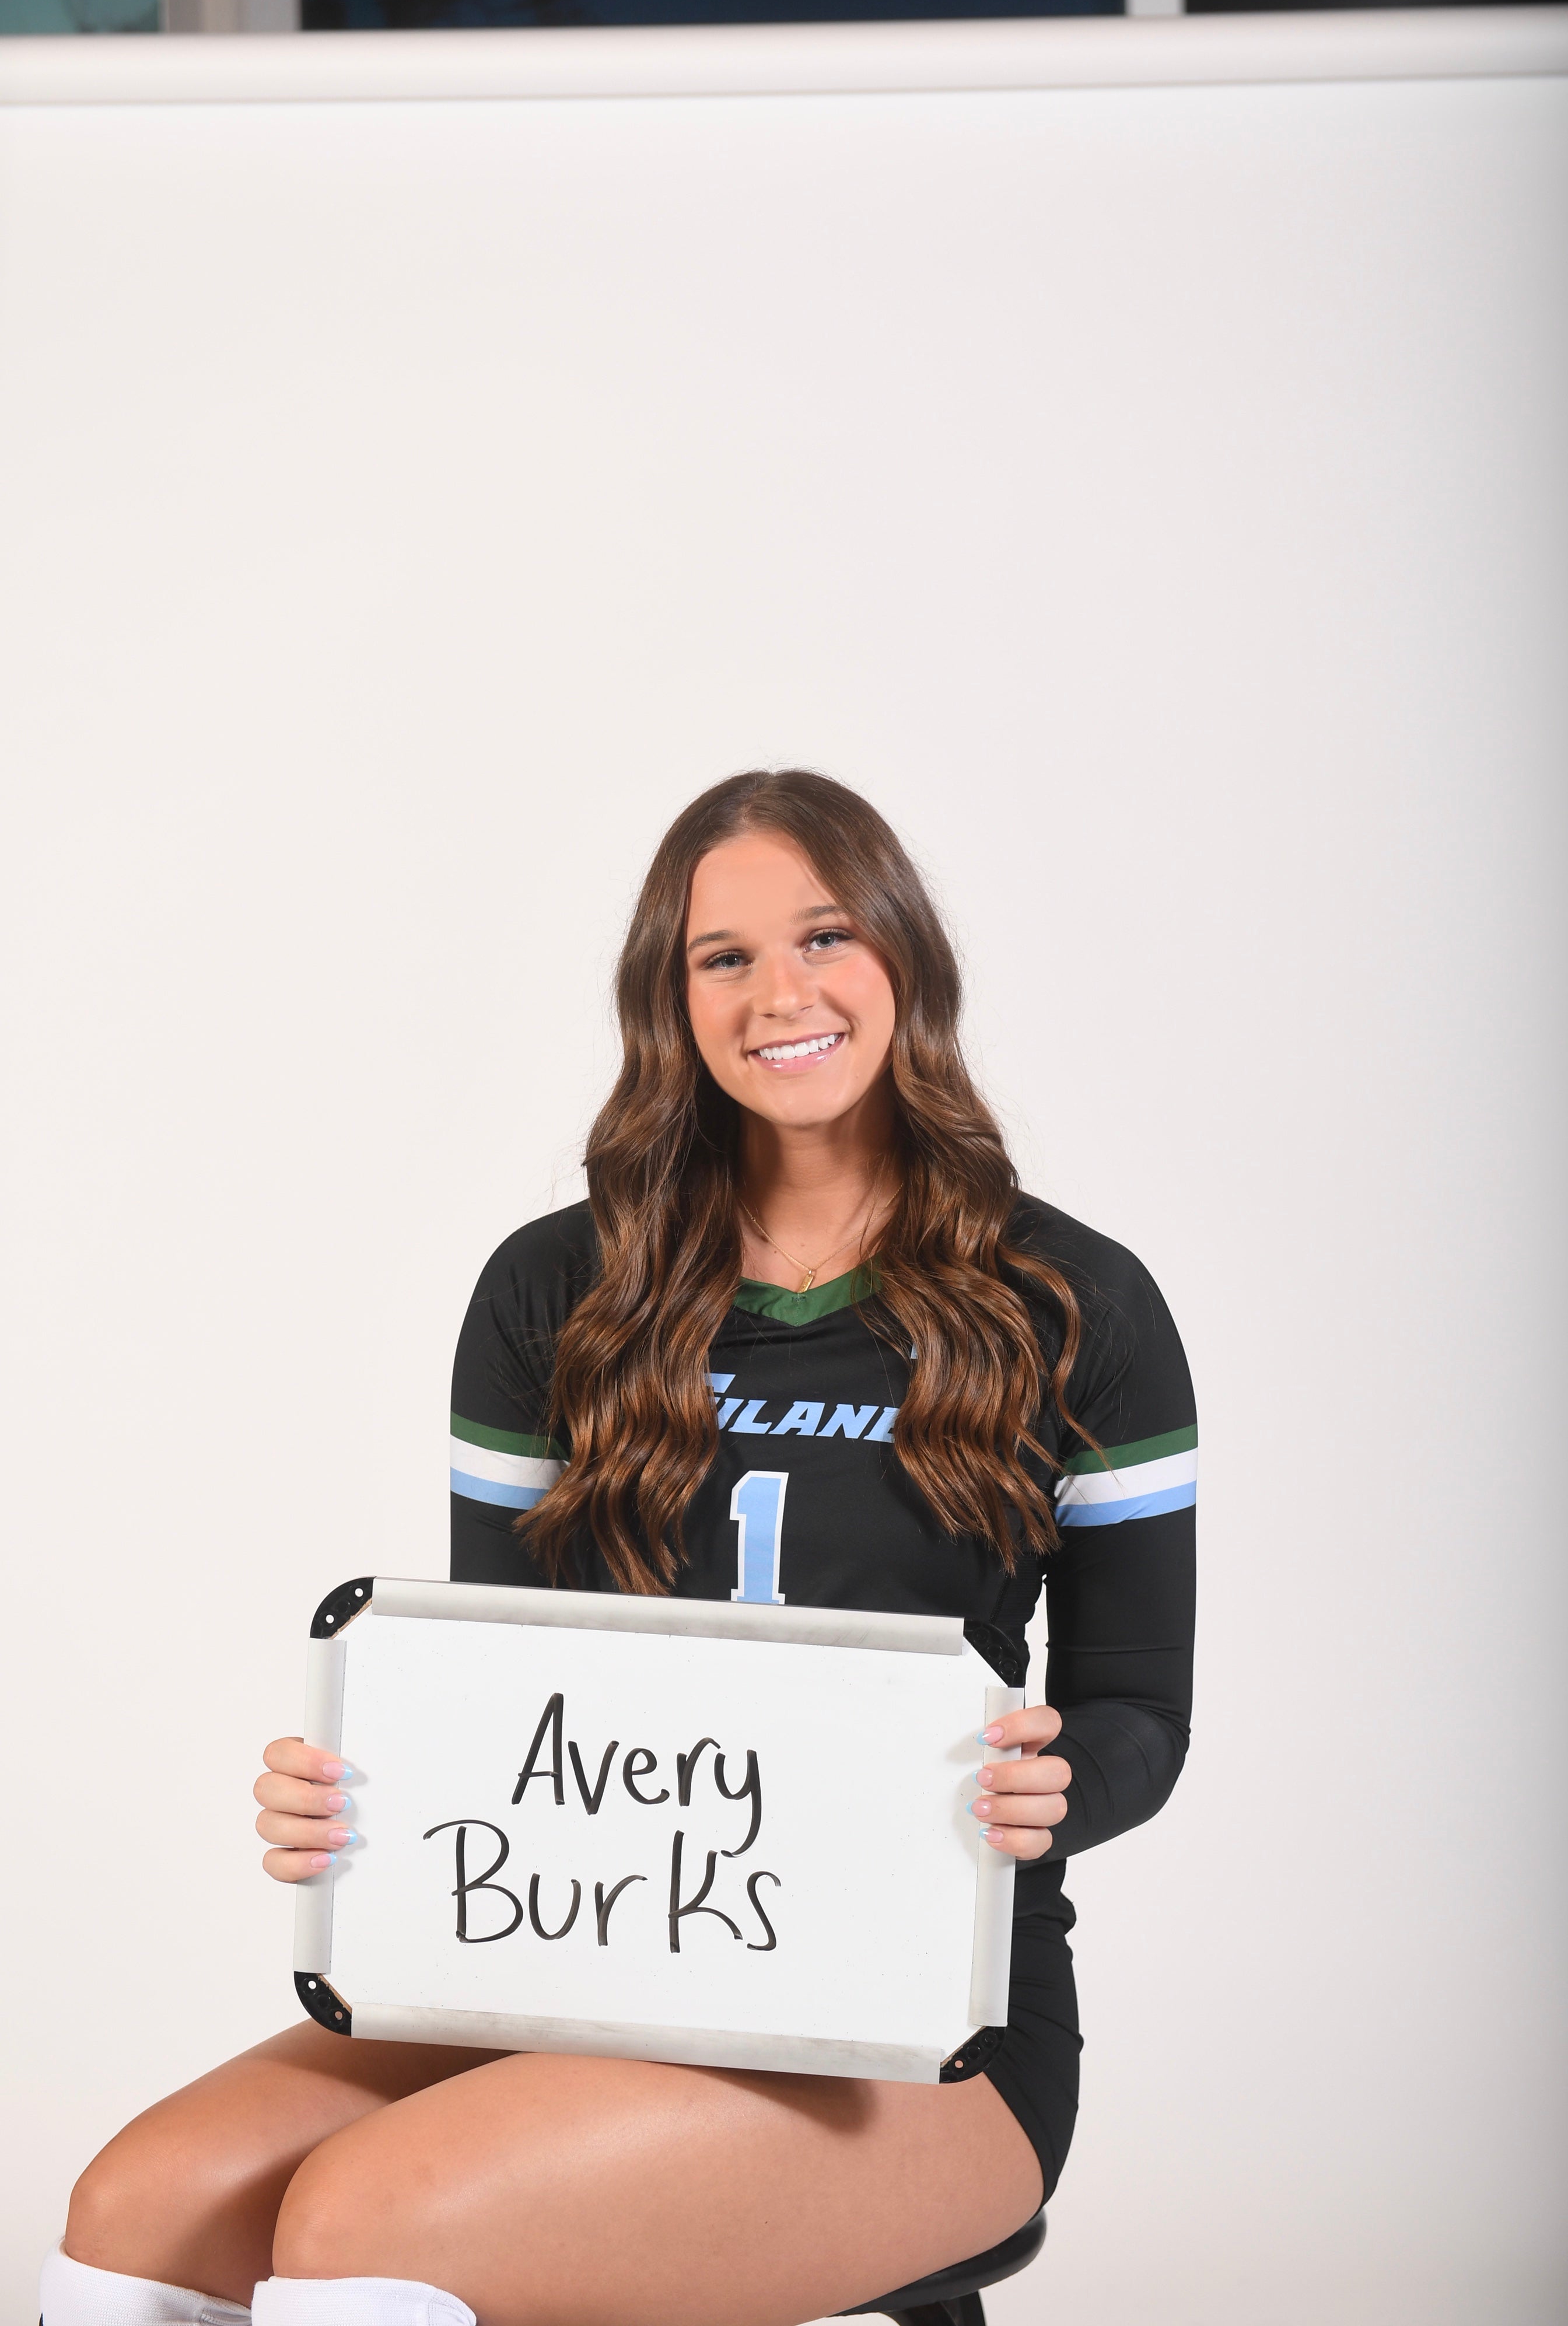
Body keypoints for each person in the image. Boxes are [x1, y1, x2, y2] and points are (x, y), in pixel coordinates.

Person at [45, 771, 1196, 2326]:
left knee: (361, 2225)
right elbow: (501, 1698)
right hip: (586, 1968)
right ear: (671, 995)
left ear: (905, 956)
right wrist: (364, 1804)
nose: (780, 993)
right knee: (134, 2216)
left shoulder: (1076, 1302)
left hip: (931, 2022)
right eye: (724, 956)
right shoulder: (555, 1291)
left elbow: (1140, 1712)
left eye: (826, 936)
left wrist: (1052, 1793)